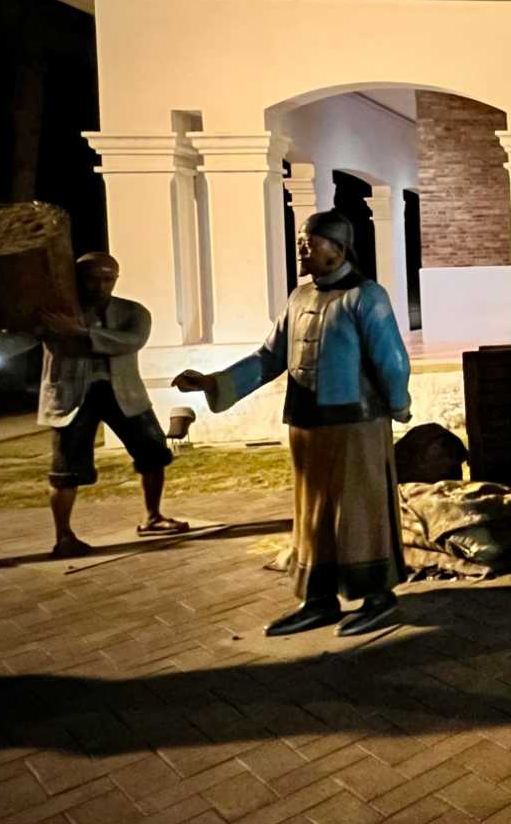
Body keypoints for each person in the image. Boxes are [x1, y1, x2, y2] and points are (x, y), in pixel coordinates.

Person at [173, 211, 412, 638]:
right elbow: (269, 357)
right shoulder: (298, 298)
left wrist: (398, 404)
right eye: (302, 239)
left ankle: (377, 596)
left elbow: (391, 358)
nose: (303, 247)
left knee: (360, 510)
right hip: (305, 424)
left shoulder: (366, 295)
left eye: (312, 240)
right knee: (311, 514)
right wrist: (214, 382)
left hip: (356, 424)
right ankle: (318, 599)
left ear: (338, 248)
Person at [0, 252, 183, 557]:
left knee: (153, 453)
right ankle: (64, 536)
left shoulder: (132, 311)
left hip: (125, 394)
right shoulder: (51, 314)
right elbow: (6, 345)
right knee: (65, 470)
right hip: (71, 397)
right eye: (92, 278)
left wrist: (80, 332)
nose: (100, 285)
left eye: (107, 278)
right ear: (76, 279)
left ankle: (153, 516)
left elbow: (131, 340)